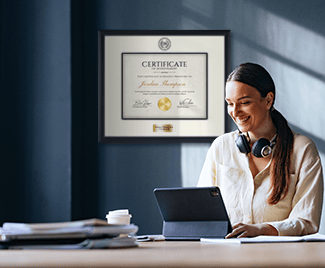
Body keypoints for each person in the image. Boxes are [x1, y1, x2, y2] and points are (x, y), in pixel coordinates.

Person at [198, 63, 323, 238]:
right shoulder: (221, 146)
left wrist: (261, 230)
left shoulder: (302, 149)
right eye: (230, 104)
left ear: (268, 100)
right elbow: (201, 212)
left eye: (245, 102)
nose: (235, 112)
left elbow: (307, 221)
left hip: (280, 260)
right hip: (226, 256)